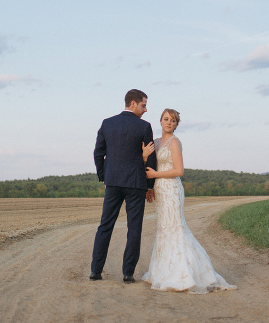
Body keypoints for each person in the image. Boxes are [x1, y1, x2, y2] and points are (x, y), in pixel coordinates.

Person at [141, 109, 237, 294]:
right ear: (160, 121)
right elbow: (148, 164)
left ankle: (185, 273)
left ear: (176, 125)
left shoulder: (175, 142)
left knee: (176, 227)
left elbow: (179, 171)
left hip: (172, 189)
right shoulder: (157, 142)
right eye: (166, 119)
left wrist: (155, 175)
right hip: (160, 190)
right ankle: (162, 271)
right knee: (163, 228)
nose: (169, 123)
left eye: (173, 121)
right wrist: (150, 184)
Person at [90, 89, 157, 283]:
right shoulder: (144, 127)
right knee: (134, 228)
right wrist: (150, 184)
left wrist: (104, 177)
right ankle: (128, 273)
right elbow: (151, 156)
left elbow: (98, 153)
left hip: (113, 182)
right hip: (136, 183)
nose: (146, 109)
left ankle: (96, 271)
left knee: (105, 226)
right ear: (133, 103)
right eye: (144, 105)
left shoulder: (107, 123)